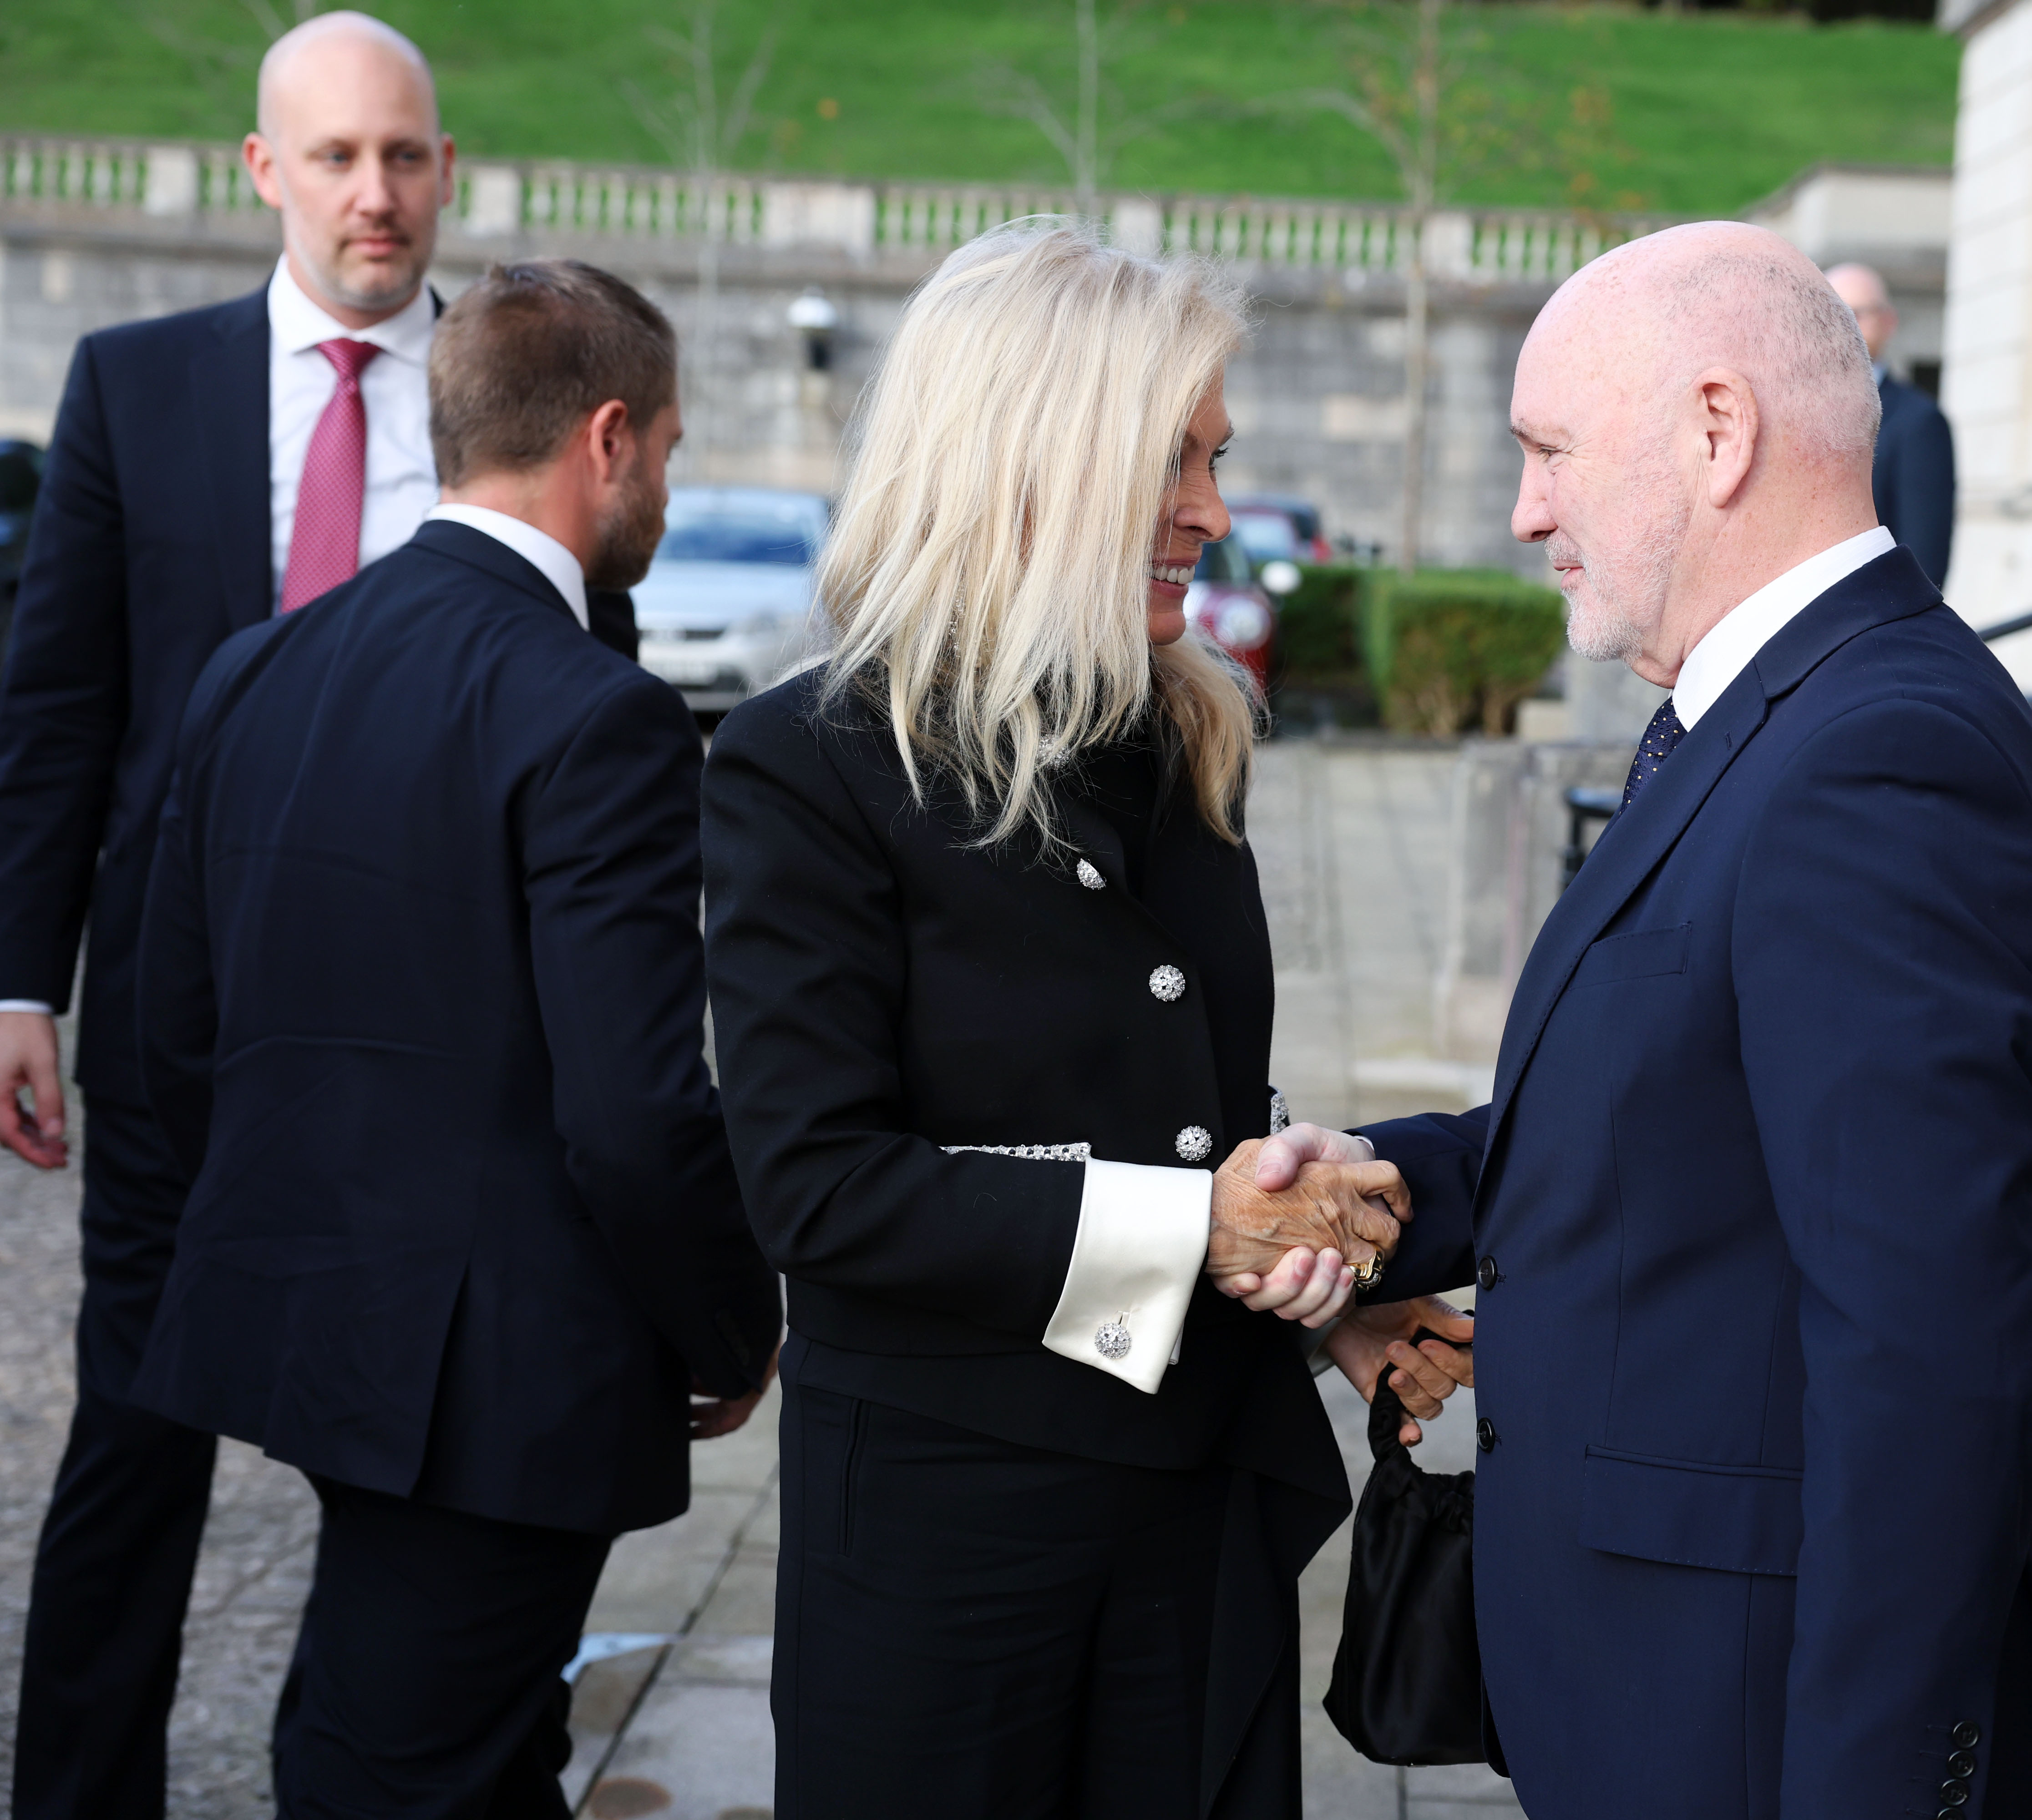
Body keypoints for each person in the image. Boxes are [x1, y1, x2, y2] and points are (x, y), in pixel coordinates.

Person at [1263, 221, 2032, 1820]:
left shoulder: (1877, 761)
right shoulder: (1775, 715)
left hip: (1753, 1727)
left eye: (1551, 451)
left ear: (1718, 431)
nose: (1526, 510)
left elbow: (1923, 1357)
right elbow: (1676, 1117)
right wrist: (1377, 1191)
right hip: (1659, 1687)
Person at [699, 223, 1453, 1820]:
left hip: (1194, 1517)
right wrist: (1203, 1228)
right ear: (1029, 457)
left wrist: (1319, 1291)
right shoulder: (808, 761)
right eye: (1172, 457)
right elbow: (815, 1184)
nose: (1212, 510)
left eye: (1214, 458)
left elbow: (1179, 1106)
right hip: (946, 1552)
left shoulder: (1185, 736)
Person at [127, 258, 784, 1817]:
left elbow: (173, 1037)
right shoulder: (597, 712)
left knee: (395, 1735)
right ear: (608, 438)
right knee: (415, 1769)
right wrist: (728, 1321)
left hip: (317, 1322)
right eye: (669, 449)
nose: (666, 486)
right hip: (497, 1375)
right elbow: (632, 1112)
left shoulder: (256, 666)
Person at [0, 19, 464, 1815]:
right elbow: (59, 713)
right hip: (174, 1025)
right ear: (267, 170)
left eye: (404, 154)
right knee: (134, 1442)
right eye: (337, 156)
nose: (375, 192)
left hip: (426, 1038)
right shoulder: (138, 384)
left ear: (446, 167)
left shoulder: (508, 386)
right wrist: (19, 984)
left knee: (409, 1457)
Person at [1826, 260, 1955, 588]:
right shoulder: (1790, 411)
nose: (1844, 327)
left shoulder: (1920, 422)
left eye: (1857, 314)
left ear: (1889, 322)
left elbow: (1924, 565)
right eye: (1830, 315)